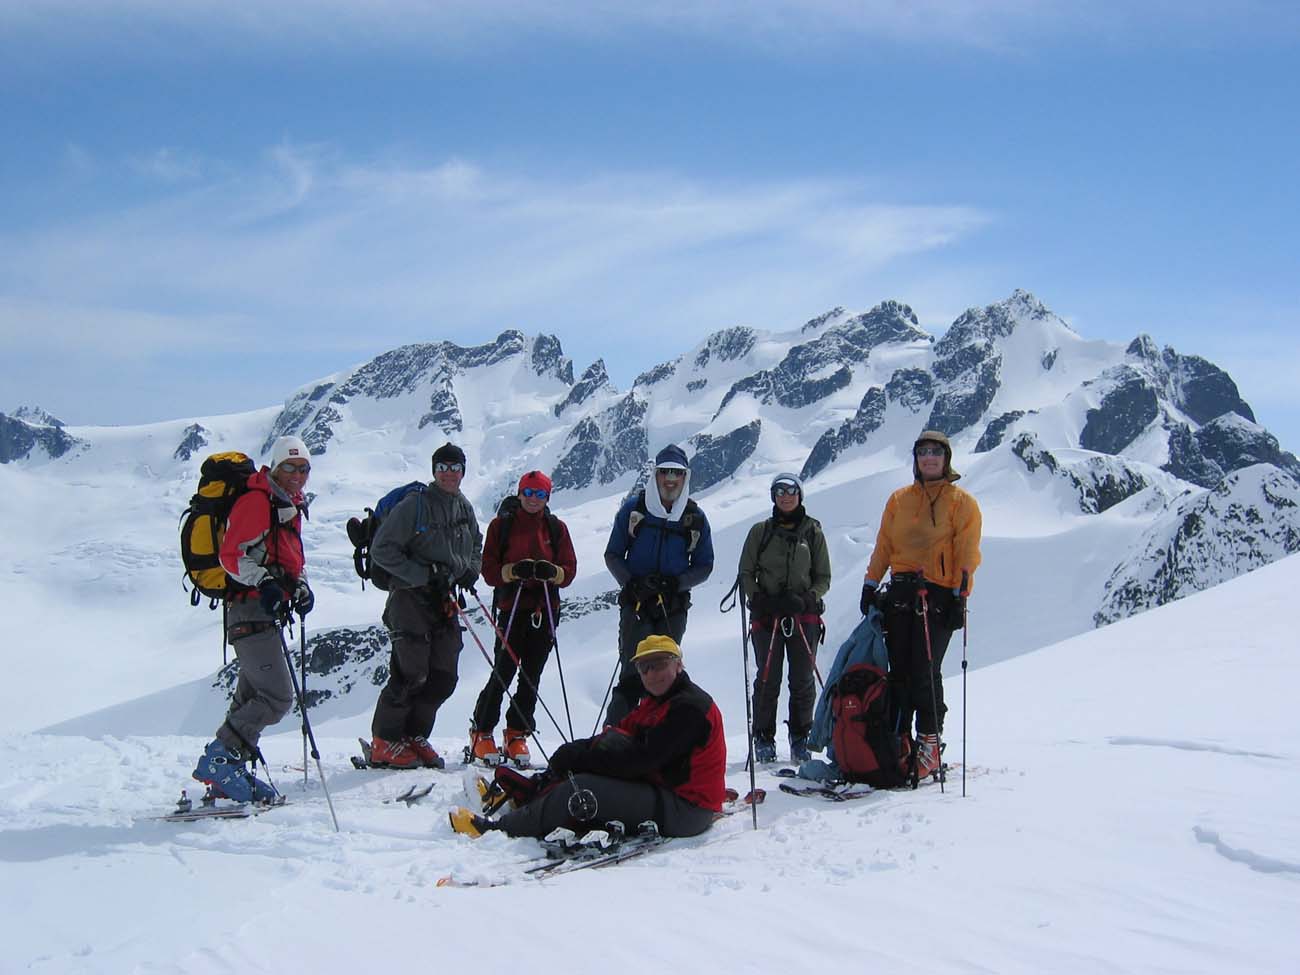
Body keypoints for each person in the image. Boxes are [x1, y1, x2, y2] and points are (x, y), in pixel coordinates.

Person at [449, 635, 725, 839]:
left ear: (678, 665)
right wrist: (575, 752)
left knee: (581, 789)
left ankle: (497, 830)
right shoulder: (658, 702)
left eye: (659, 664)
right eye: (644, 668)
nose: (651, 674)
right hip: (664, 792)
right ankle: (532, 793)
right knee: (597, 753)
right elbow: (617, 735)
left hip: (685, 809)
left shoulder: (689, 708)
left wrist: (583, 759)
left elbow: (642, 761)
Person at [192, 436, 315, 803]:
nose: (297, 474)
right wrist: (264, 583)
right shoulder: (258, 501)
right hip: (250, 609)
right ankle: (219, 761)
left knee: (251, 696)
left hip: (264, 611)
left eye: (304, 468)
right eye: (290, 467)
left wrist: (300, 587)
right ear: (275, 467)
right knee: (277, 697)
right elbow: (231, 555)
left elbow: (291, 558)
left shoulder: (287, 504)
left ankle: (230, 771)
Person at [860, 430, 982, 779]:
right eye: (923, 452)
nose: (929, 458)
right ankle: (901, 741)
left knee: (925, 671)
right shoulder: (899, 500)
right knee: (899, 671)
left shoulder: (962, 503)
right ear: (916, 459)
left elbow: (967, 553)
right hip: (900, 594)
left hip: (938, 595)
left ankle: (929, 742)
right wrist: (871, 582)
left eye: (936, 452)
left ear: (946, 459)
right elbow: (884, 545)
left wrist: (960, 596)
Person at [367, 442, 483, 769]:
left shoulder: (464, 507)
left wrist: (470, 569)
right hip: (409, 597)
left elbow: (476, 541)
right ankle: (385, 740)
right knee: (411, 672)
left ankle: (414, 734)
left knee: (444, 675)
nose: (449, 473)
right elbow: (382, 550)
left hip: (444, 599)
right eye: (442, 467)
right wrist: (422, 575)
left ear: (463, 472)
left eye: (455, 467)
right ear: (434, 471)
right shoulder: (415, 505)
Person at [467, 470, 578, 766]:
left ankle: (517, 732)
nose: (533, 499)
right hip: (512, 606)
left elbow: (569, 569)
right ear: (519, 494)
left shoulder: (556, 528)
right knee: (504, 670)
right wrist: (514, 571)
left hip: (544, 608)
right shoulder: (501, 526)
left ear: (548, 497)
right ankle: (482, 730)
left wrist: (552, 572)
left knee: (532, 674)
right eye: (528, 493)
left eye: (540, 494)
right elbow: (489, 570)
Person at [601, 444, 714, 727]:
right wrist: (632, 584)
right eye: (665, 472)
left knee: (666, 674)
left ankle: (658, 738)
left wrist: (676, 583)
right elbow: (613, 554)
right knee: (634, 673)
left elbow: (705, 565)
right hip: (637, 605)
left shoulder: (694, 518)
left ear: (685, 476)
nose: (671, 479)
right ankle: (614, 738)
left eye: (677, 473)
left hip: (672, 607)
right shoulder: (634, 510)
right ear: (656, 475)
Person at [738, 472, 832, 764]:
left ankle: (800, 736)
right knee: (768, 678)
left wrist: (807, 599)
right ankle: (763, 737)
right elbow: (745, 572)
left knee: (802, 677)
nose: (786, 496)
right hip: (768, 615)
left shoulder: (812, 532)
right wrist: (759, 599)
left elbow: (823, 576)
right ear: (773, 496)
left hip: (802, 614)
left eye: (791, 491)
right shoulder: (760, 532)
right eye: (780, 491)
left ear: (800, 495)